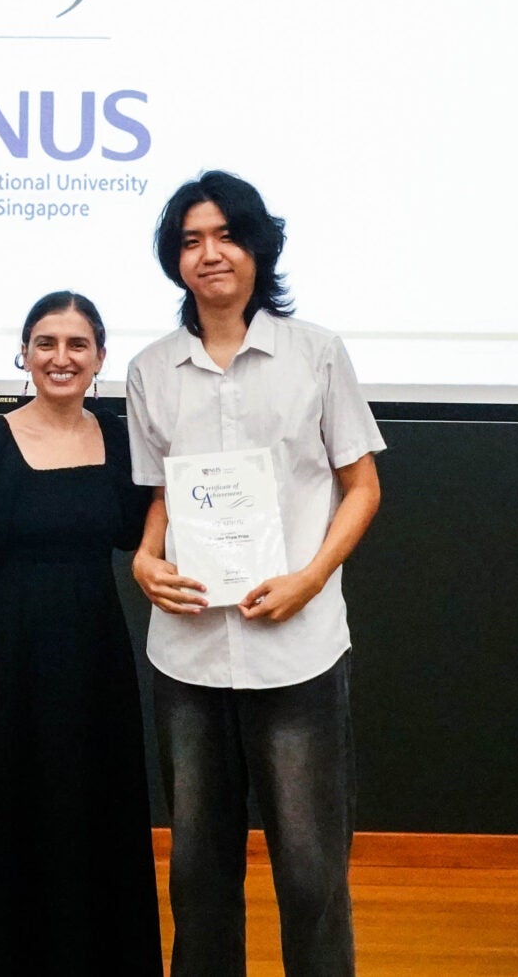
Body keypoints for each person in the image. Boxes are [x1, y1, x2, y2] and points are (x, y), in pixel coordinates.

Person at [126, 172, 384, 977]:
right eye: (191, 240)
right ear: (175, 260)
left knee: (310, 876)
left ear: (257, 247)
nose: (210, 253)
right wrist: (144, 558)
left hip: (295, 650)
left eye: (226, 235)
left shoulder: (317, 353)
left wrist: (310, 577)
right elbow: (162, 496)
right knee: (199, 876)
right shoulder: (150, 369)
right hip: (190, 656)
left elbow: (362, 486)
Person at [0, 291, 163, 977]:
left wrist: (154, 547)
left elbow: (157, 505)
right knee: (8, 831)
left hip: (95, 670)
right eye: (46, 343)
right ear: (25, 355)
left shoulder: (119, 440)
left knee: (93, 824)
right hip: (7, 674)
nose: (62, 357)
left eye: (77, 344)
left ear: (100, 357)